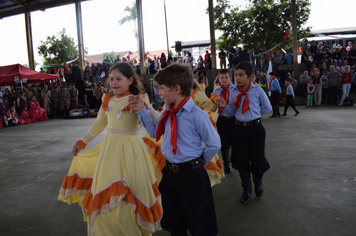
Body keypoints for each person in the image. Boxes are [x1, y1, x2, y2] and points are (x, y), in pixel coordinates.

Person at [58, 63, 163, 236]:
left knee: (131, 187)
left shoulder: (139, 98)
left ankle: (131, 226)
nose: (113, 82)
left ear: (130, 80)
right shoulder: (108, 100)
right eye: (111, 79)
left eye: (118, 79)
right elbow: (99, 124)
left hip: (132, 150)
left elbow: (156, 118)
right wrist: (82, 142)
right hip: (110, 149)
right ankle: (110, 228)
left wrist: (146, 109)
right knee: (108, 186)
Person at [130, 63, 220, 236]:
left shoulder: (196, 114)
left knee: (200, 223)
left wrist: (198, 163)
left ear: (177, 89)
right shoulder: (167, 112)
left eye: (162, 88)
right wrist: (142, 110)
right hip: (171, 174)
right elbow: (155, 132)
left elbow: (214, 144)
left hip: (192, 176)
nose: (160, 92)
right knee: (175, 222)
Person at [214, 61, 272, 204]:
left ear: (250, 76)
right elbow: (233, 111)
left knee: (257, 159)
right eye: (236, 75)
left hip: (256, 129)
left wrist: (254, 116)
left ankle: (257, 182)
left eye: (241, 75)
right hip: (239, 129)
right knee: (241, 160)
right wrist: (225, 106)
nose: (237, 78)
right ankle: (246, 189)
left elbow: (267, 107)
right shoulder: (234, 92)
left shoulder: (257, 90)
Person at [211, 69, 235, 173]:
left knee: (235, 141)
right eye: (222, 77)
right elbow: (212, 105)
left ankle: (234, 160)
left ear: (230, 78)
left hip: (234, 119)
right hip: (222, 118)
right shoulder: (216, 91)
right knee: (223, 143)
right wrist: (213, 100)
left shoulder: (235, 89)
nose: (224, 80)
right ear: (219, 79)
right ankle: (226, 163)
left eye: (226, 77)